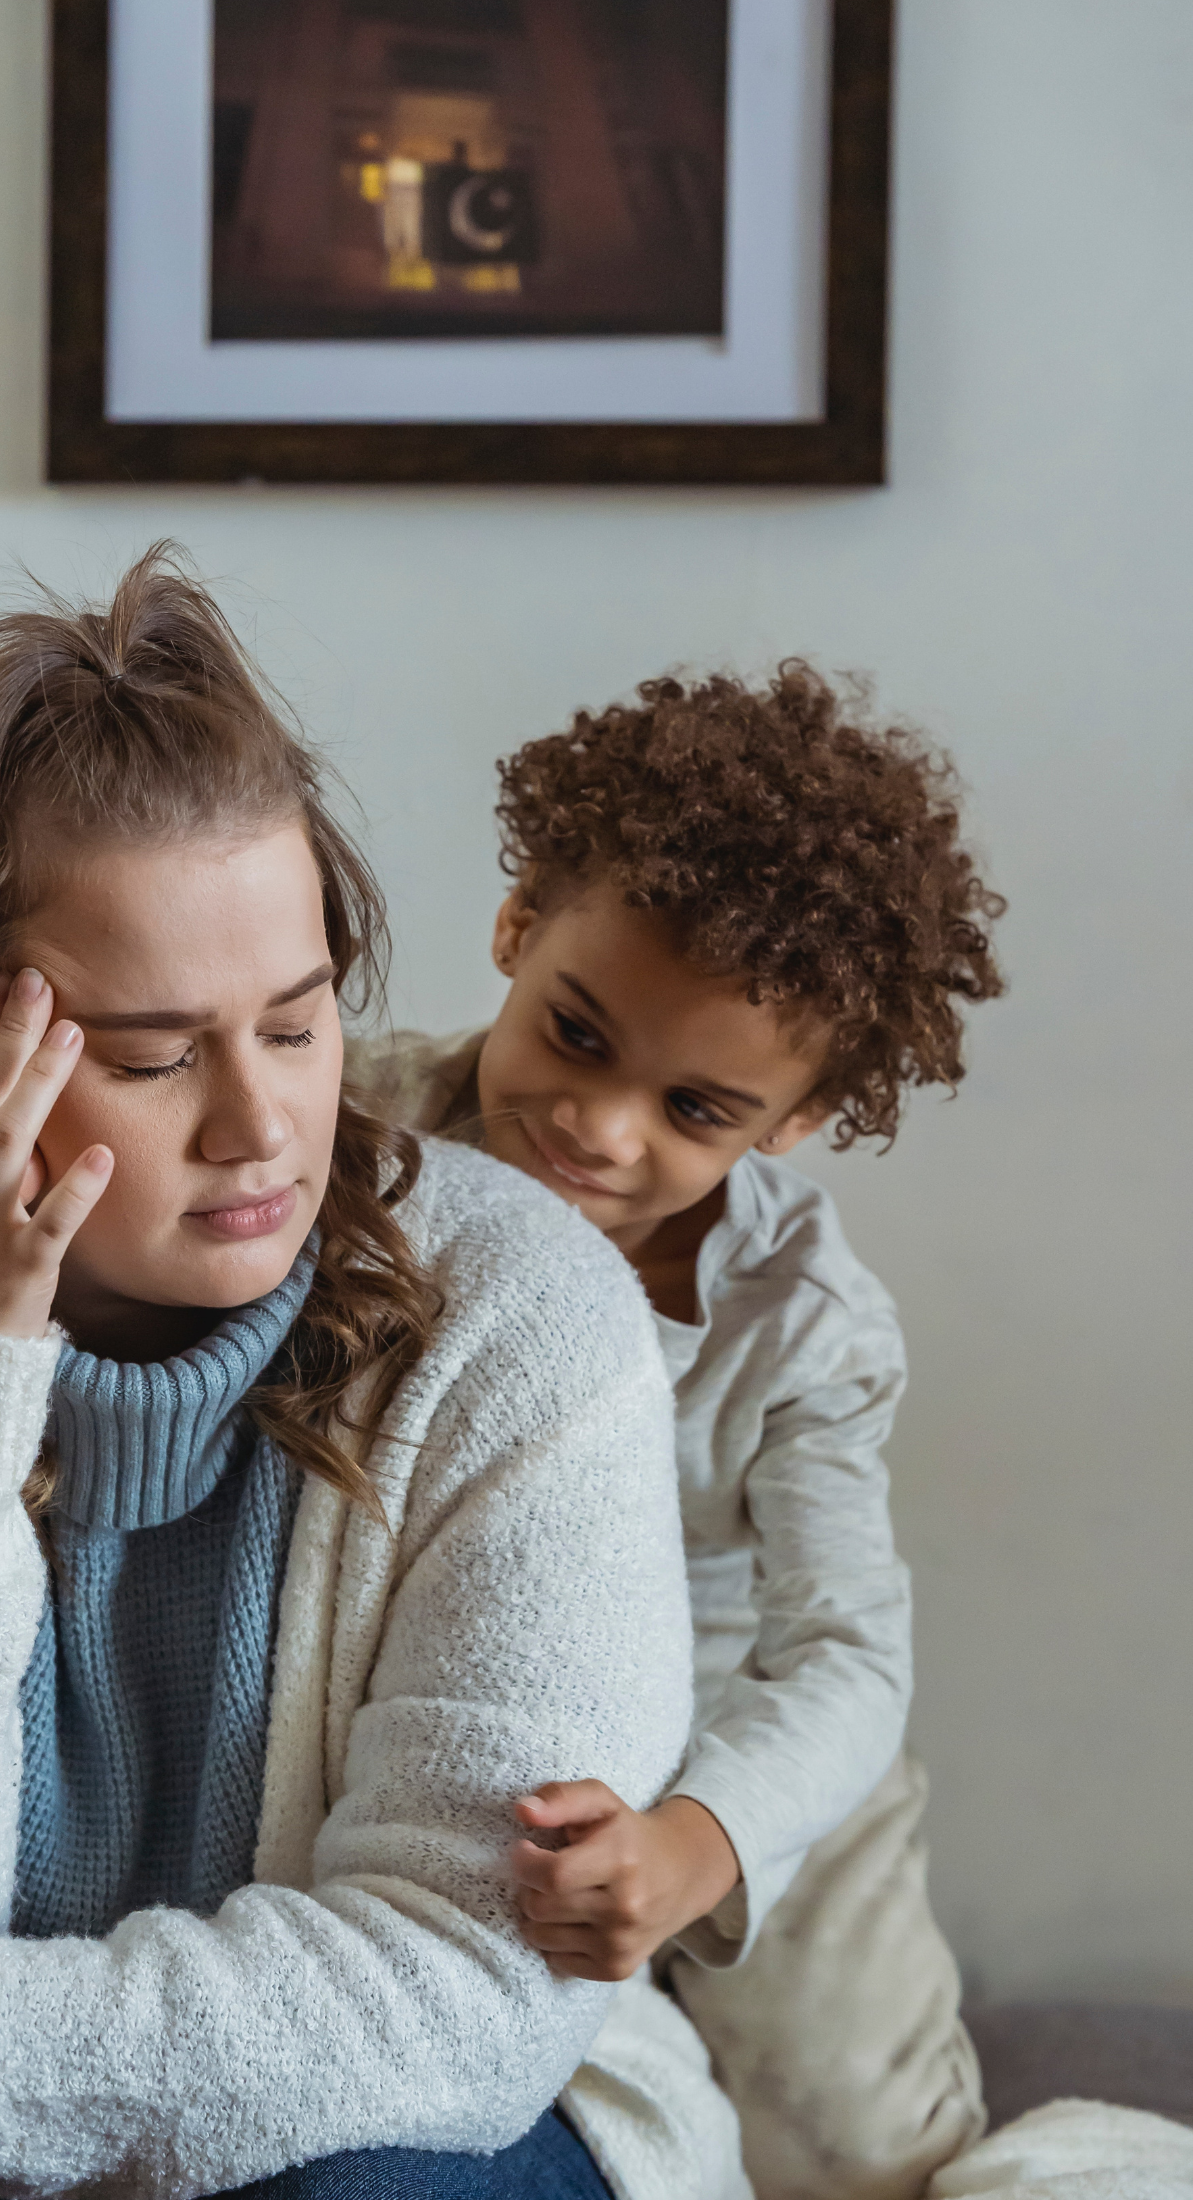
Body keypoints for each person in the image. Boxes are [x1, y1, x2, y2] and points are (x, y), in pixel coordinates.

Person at [0, 553, 744, 2199]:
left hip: (423, 2116)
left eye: (301, 1021)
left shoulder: (524, 1320)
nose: (261, 1128)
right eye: (154, 1056)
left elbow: (459, 1989)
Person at [347, 664, 1006, 2200]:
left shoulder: (808, 1323)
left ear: (792, 1122)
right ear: (516, 930)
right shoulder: (349, 1141)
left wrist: (703, 1841)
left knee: (859, 2154)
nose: (602, 1126)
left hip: (740, 1755)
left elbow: (843, 1653)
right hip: (467, 1731)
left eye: (695, 1110)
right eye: (574, 1036)